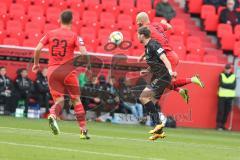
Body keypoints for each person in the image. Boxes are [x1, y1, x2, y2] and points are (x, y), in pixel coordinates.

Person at [32, 10, 90, 139]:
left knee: (59, 100)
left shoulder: (50, 34)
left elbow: (37, 49)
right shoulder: (75, 36)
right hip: (68, 71)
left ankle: (52, 115)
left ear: (59, 19)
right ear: (72, 21)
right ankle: (83, 130)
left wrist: (36, 64)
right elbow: (84, 54)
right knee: (76, 99)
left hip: (52, 71)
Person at [136, 12, 204, 103]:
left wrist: (142, 57)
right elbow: (169, 27)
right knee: (164, 83)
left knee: (166, 82)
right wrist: (164, 22)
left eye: (138, 23)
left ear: (141, 22)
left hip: (166, 56)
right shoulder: (156, 24)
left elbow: (151, 45)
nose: (138, 26)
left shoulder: (146, 31)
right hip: (171, 55)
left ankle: (192, 79)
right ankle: (181, 90)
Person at [137, 26, 173, 141]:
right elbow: (155, 63)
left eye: (138, 34)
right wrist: (147, 70)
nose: (137, 36)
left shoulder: (154, 44)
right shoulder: (147, 47)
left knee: (144, 97)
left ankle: (158, 124)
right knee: (148, 100)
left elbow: (164, 59)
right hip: (157, 76)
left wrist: (171, 71)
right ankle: (159, 131)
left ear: (142, 35)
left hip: (162, 76)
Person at [216, 64, 236, 130]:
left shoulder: (233, 76)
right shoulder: (221, 75)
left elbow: (233, 86)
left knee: (227, 111)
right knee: (221, 111)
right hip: (222, 96)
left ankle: (222, 125)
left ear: (231, 69)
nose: (227, 70)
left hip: (230, 97)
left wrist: (225, 85)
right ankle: (218, 125)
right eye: (226, 69)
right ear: (225, 69)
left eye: (228, 69)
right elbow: (221, 84)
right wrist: (228, 85)